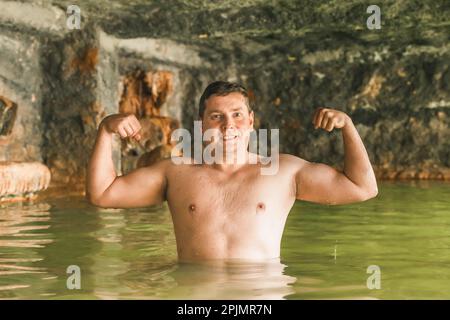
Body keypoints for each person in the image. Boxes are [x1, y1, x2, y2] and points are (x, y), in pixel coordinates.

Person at [86, 81, 378, 262]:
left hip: (261, 299)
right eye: (217, 117)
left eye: (237, 115)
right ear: (201, 123)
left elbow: (362, 187)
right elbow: (102, 194)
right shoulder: (175, 174)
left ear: (250, 121)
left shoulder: (283, 172)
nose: (228, 127)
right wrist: (105, 131)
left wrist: (348, 127)